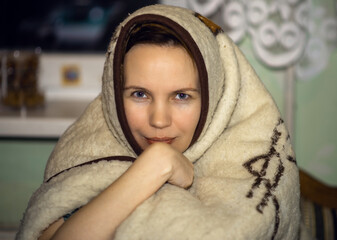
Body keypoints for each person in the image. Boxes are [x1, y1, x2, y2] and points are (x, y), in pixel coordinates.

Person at [16, 4, 301, 240]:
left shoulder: (243, 162)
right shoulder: (89, 148)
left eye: (181, 96)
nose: (159, 120)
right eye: (139, 94)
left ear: (213, 98)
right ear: (115, 93)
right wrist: (155, 165)